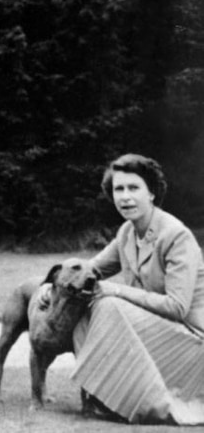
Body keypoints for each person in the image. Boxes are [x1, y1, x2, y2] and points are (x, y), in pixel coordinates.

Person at [72, 153, 204, 424]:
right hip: (161, 333)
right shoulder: (127, 233)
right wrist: (52, 285)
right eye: (119, 189)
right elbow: (90, 270)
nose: (125, 197)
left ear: (152, 193)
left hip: (193, 341)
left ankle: (119, 397)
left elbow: (177, 307)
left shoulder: (176, 235)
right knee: (83, 299)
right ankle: (103, 393)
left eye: (134, 188)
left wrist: (118, 291)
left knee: (107, 303)